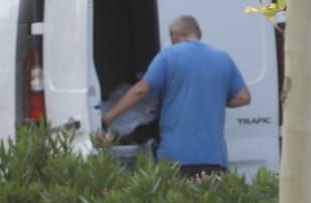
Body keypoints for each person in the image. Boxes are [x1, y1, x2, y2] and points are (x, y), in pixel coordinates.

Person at [101, 15, 250, 177]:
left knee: (178, 201)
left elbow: (140, 90)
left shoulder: (168, 56)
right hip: (214, 157)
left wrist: (108, 117)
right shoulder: (223, 58)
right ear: (199, 33)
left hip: (176, 156)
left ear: (174, 35)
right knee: (209, 201)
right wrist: (213, 99)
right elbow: (244, 97)